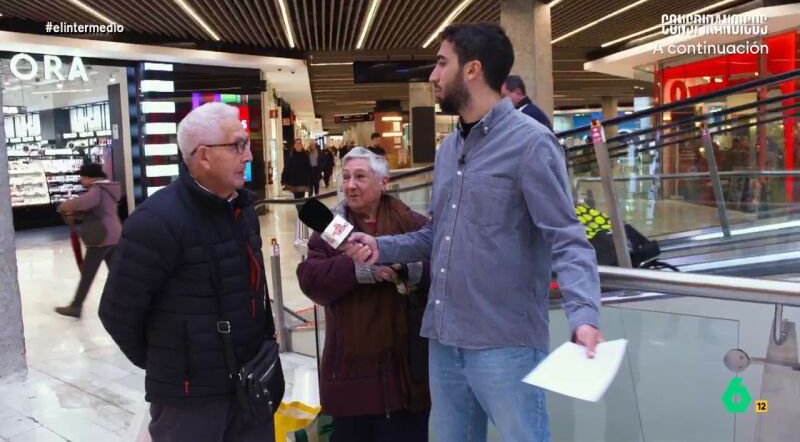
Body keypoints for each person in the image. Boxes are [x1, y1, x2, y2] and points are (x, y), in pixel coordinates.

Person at [342, 23, 603, 442]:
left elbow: (567, 238)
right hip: (445, 340)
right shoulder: (449, 150)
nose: (433, 75)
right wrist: (379, 247)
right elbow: (436, 236)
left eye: (442, 63)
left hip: (506, 344)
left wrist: (585, 316)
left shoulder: (532, 145)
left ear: (472, 70)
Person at [98, 102, 278, 441]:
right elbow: (117, 312)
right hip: (190, 404)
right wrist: (174, 364)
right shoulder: (157, 222)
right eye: (238, 145)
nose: (249, 156)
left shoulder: (242, 209)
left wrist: (264, 337)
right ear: (204, 156)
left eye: (247, 144)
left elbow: (253, 289)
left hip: (251, 387)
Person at [297, 147, 431, 442]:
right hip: (351, 378)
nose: (350, 185)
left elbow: (442, 269)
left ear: (383, 182)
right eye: (345, 177)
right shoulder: (331, 229)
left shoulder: (412, 223)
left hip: (406, 374)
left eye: (360, 176)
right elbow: (311, 279)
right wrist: (360, 270)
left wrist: (405, 269)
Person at [54, 163, 122, 318]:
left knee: (87, 274)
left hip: (101, 237)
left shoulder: (97, 190)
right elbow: (94, 210)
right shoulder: (108, 188)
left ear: (90, 178)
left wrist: (63, 206)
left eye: (83, 178)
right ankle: (129, 302)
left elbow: (83, 202)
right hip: (114, 234)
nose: (82, 181)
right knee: (118, 273)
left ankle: (76, 306)